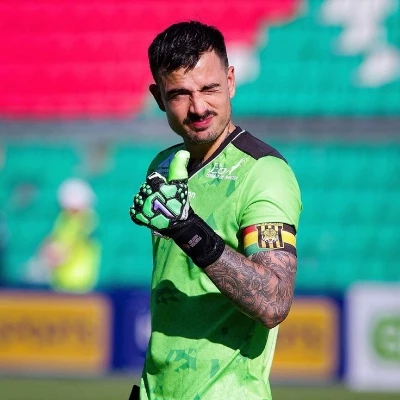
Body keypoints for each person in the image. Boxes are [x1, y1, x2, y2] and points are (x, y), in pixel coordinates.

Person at [129, 20, 302, 400]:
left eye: (210, 89)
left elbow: (273, 302)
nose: (198, 107)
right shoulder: (162, 165)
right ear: (158, 97)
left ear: (231, 81)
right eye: (180, 94)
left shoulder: (263, 172)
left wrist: (187, 228)